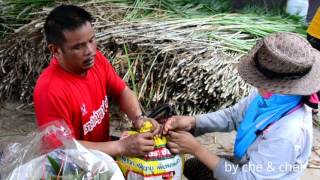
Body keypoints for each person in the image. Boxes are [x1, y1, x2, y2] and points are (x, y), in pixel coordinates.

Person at [163, 32, 320, 179]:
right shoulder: (272, 94)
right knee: (193, 167)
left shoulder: (289, 132)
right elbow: (233, 115)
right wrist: (193, 122)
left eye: (262, 82)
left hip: (255, 175)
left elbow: (246, 177)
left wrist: (197, 149)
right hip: (246, 162)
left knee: (203, 161)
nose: (257, 84)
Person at [33, 4, 160, 157]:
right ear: (55, 50)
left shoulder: (95, 60)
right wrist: (120, 146)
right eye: (78, 47)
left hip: (103, 154)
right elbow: (63, 150)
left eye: (91, 40)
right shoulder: (49, 90)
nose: (90, 51)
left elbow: (121, 91)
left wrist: (139, 118)